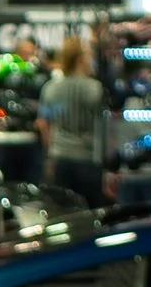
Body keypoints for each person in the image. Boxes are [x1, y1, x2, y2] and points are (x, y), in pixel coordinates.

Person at [36, 37, 107, 210]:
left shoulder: (50, 88)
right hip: (88, 160)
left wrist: (50, 154)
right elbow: (104, 126)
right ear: (80, 59)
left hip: (61, 158)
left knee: (62, 215)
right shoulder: (96, 88)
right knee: (91, 215)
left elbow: (43, 124)